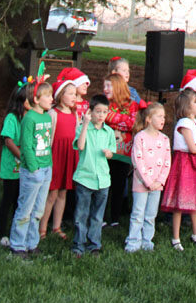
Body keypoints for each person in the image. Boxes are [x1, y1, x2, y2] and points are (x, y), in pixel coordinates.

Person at [9, 80, 54, 259]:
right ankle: (17, 245)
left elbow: (47, 143)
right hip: (32, 171)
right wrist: (34, 167)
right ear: (36, 99)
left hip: (46, 168)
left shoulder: (47, 117)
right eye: (48, 96)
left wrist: (47, 164)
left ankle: (31, 243)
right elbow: (26, 146)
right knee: (25, 209)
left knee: (38, 210)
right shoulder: (29, 118)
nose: (52, 99)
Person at [161, 88, 196, 249]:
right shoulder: (184, 124)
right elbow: (192, 147)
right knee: (180, 201)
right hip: (185, 163)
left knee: (195, 198)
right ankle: (175, 237)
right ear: (187, 107)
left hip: (195, 162)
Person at [71, 94, 116, 257]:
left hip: (103, 180)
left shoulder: (109, 132)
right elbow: (80, 146)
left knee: (97, 215)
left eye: (104, 112)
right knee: (81, 214)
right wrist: (85, 124)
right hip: (85, 178)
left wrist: (109, 153)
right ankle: (78, 245)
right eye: (98, 112)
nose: (101, 115)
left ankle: (94, 244)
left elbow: (112, 153)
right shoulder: (83, 129)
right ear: (90, 112)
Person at [125, 102, 171, 253]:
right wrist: (148, 181)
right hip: (141, 184)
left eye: (163, 116)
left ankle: (147, 241)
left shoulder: (164, 139)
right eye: (159, 116)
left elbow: (166, 162)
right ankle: (133, 242)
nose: (163, 119)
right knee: (138, 213)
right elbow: (138, 161)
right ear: (149, 119)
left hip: (157, 185)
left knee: (151, 214)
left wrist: (159, 181)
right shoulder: (140, 137)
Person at [39, 80, 79, 239]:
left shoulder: (74, 114)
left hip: (69, 155)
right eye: (70, 93)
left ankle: (56, 226)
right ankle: (42, 228)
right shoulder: (53, 114)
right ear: (61, 95)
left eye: (75, 94)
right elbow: (49, 138)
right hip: (56, 155)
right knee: (52, 194)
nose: (74, 97)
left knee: (63, 192)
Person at [0, 81, 33, 246]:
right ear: (23, 100)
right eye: (32, 98)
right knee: (8, 199)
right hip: (12, 168)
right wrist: (22, 157)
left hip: (24, 169)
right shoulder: (12, 118)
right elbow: (8, 141)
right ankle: (2, 234)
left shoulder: (30, 117)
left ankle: (16, 232)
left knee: (21, 200)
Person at [103, 72, 139, 226]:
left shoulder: (131, 104)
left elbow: (133, 124)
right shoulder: (104, 104)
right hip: (105, 152)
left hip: (123, 152)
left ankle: (115, 218)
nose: (105, 89)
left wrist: (113, 120)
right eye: (104, 86)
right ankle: (102, 217)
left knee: (119, 184)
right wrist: (121, 121)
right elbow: (103, 119)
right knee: (105, 185)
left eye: (108, 86)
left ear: (118, 87)